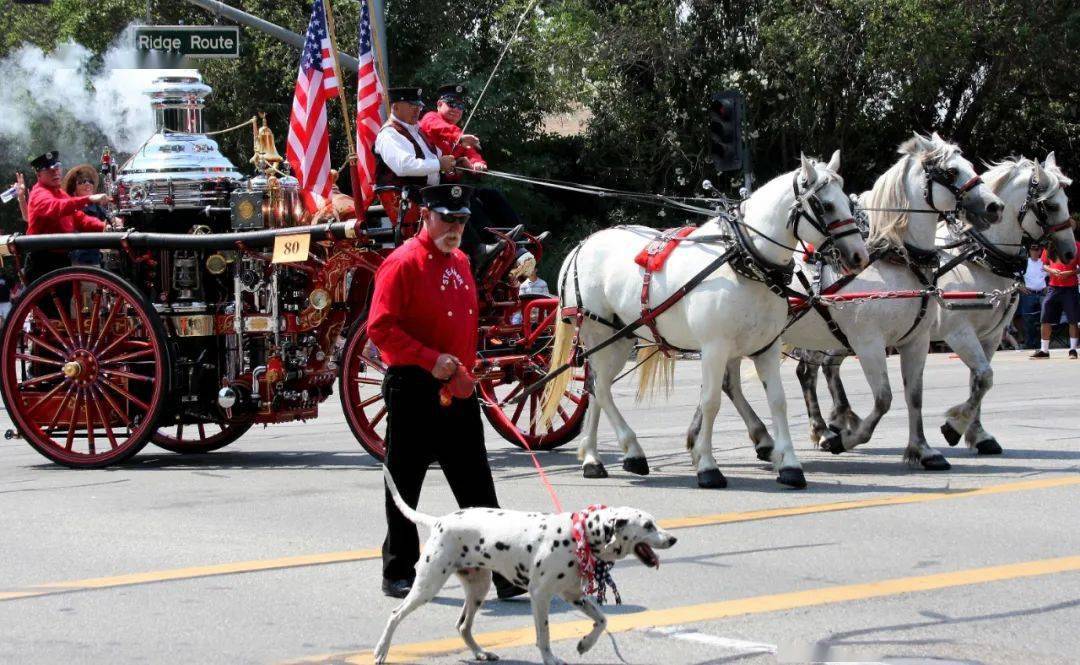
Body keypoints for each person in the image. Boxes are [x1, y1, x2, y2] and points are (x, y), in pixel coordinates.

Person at [367, 183, 524, 601]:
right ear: (426, 216)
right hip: (414, 387)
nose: (454, 227)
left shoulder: (460, 260)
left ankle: (505, 570)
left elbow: (465, 324)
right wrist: (428, 358)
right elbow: (379, 328)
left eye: (461, 220)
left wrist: (468, 368)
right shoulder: (401, 264)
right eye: (446, 218)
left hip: (456, 387)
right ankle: (398, 569)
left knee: (477, 485)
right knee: (405, 483)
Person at [418, 84, 519, 274]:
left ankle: (517, 238)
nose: (456, 109)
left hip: (452, 187)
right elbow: (439, 128)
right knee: (468, 200)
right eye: (451, 104)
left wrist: (477, 164)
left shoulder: (458, 133)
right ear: (439, 104)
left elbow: (472, 154)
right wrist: (460, 137)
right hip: (433, 188)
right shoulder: (431, 120)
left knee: (492, 195)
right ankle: (486, 244)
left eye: (461, 106)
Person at [373, 87, 457, 241]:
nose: (417, 110)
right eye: (412, 106)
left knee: (482, 195)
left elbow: (437, 156)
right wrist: (439, 164)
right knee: (460, 206)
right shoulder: (388, 134)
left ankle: (504, 242)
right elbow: (404, 166)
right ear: (395, 107)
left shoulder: (417, 131)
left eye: (419, 106)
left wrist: (455, 163)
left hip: (428, 194)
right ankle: (477, 252)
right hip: (409, 198)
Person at [24, 151, 116, 284]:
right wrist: (89, 198)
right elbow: (57, 207)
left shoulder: (60, 193)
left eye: (57, 167)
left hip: (62, 259)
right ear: (39, 174)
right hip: (42, 262)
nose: (55, 172)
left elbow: (80, 218)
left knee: (65, 301)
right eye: (50, 170)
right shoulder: (39, 194)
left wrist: (104, 227)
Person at [1031, 237, 1080, 359]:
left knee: (1073, 319)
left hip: (1070, 287)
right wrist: (1052, 270)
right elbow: (1044, 265)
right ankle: (1044, 350)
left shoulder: (1077, 245)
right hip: (1053, 287)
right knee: (1045, 317)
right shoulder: (1050, 245)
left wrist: (1070, 273)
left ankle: (1073, 350)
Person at [61, 164, 107, 268]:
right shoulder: (70, 208)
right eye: (82, 181)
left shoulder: (98, 209)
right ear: (74, 189)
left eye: (90, 181)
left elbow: (111, 221)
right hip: (79, 263)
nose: (88, 184)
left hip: (98, 261)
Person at [1018, 244, 1047, 349]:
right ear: (1029, 251)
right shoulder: (1025, 262)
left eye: (1037, 249)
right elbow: (1016, 275)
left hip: (1042, 293)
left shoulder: (1044, 262)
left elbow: (1052, 274)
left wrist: (1048, 286)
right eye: (1032, 249)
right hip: (1028, 293)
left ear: (1040, 251)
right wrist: (1020, 286)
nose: (1035, 251)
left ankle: (1042, 344)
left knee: (1044, 319)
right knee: (1028, 319)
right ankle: (1029, 344)